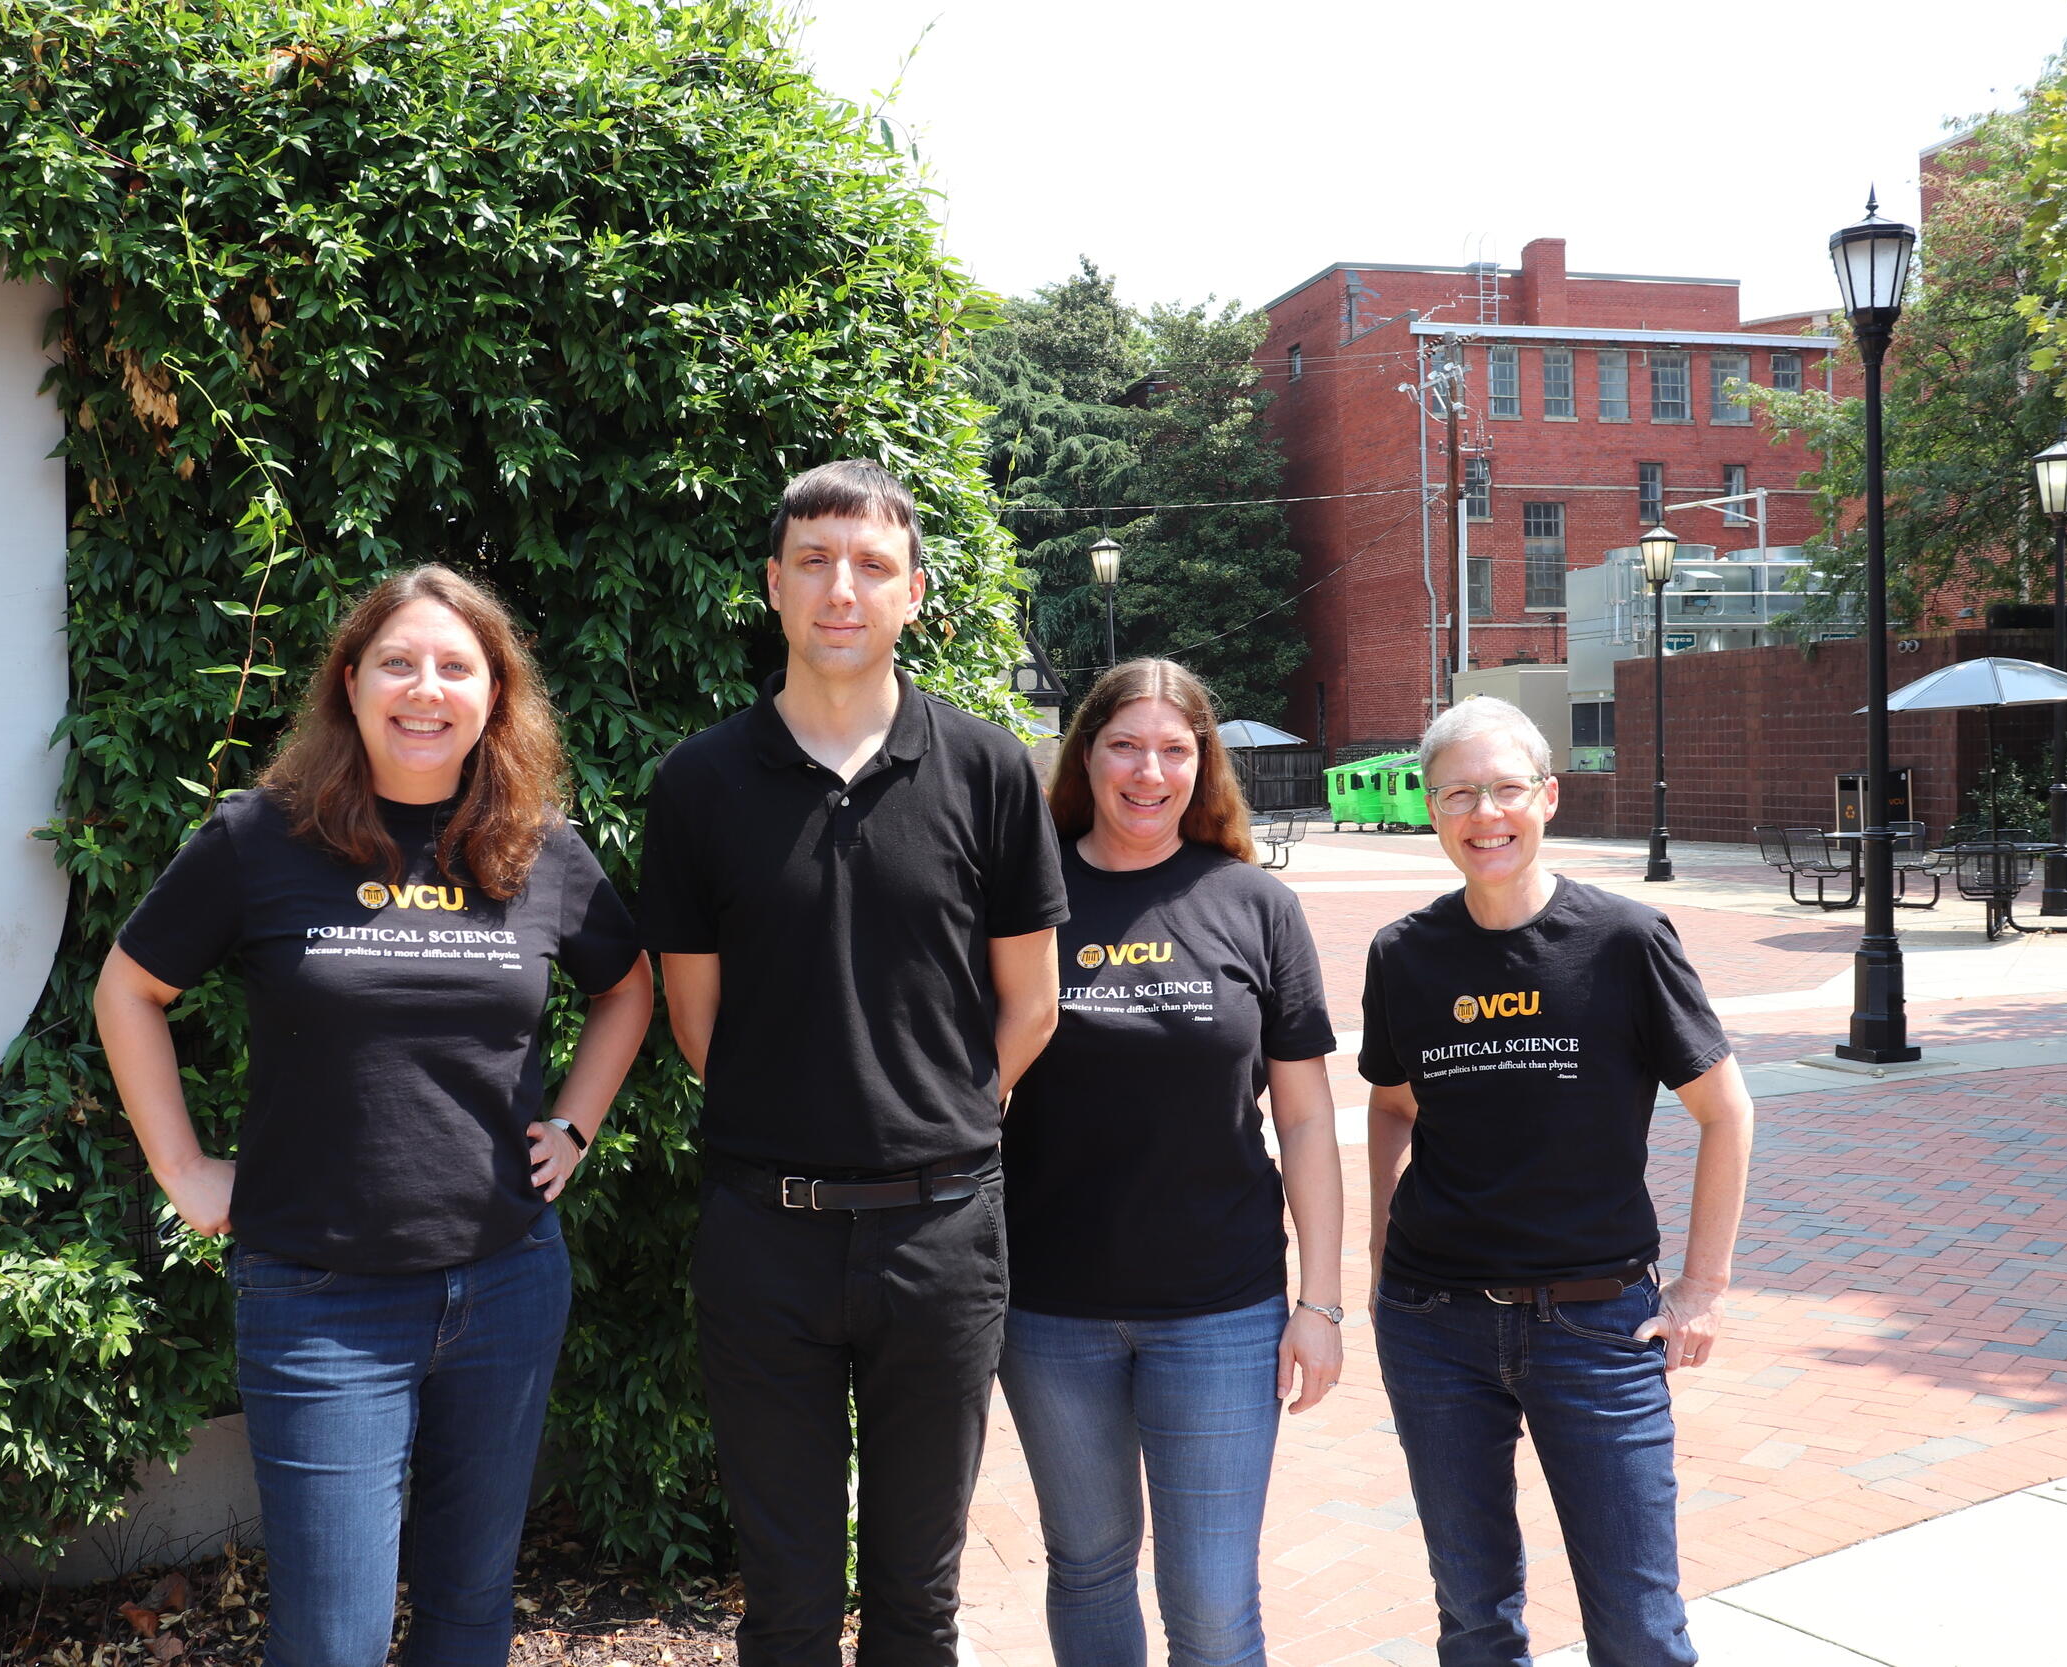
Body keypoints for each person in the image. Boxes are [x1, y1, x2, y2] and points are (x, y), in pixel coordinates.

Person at [93, 565, 654, 1667]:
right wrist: (180, 1165)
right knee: (333, 1636)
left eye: (456, 666)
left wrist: (574, 1128)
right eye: (397, 661)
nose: (424, 688)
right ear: (349, 684)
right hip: (318, 1296)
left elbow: (626, 983)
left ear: (495, 694)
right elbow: (128, 987)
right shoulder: (260, 840)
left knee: (468, 1611)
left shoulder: (539, 849)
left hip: (505, 1278)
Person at [637, 458, 1068, 1667]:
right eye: (815, 561)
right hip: (760, 1232)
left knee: (916, 1604)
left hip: (942, 1239)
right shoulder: (700, 781)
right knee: (782, 1603)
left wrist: (930, 1119)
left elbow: (1030, 1003)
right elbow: (693, 1017)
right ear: (772, 585)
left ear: (914, 591)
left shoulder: (986, 769)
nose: (843, 587)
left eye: (872, 564)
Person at [1359, 695, 1755, 1667]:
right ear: (1429, 805)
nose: (1482, 813)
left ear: (1547, 796)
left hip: (1597, 1323)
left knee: (1638, 1626)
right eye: (1457, 792)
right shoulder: (1403, 954)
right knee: (1475, 1616)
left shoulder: (1623, 939)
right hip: (1434, 1324)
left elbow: (1724, 1110)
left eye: (1502, 789)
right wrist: (1379, 1257)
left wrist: (1701, 1287)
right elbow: (1390, 1105)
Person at [998, 659, 1345, 1667]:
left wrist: (1318, 1303)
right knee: (1090, 1565)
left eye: (1174, 748)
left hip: (1220, 1310)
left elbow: (1309, 1120)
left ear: (1203, 763)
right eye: (1124, 744)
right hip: (1048, 1307)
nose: (1148, 771)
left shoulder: (1252, 903)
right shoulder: (1025, 897)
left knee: (1211, 1606)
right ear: (1086, 754)